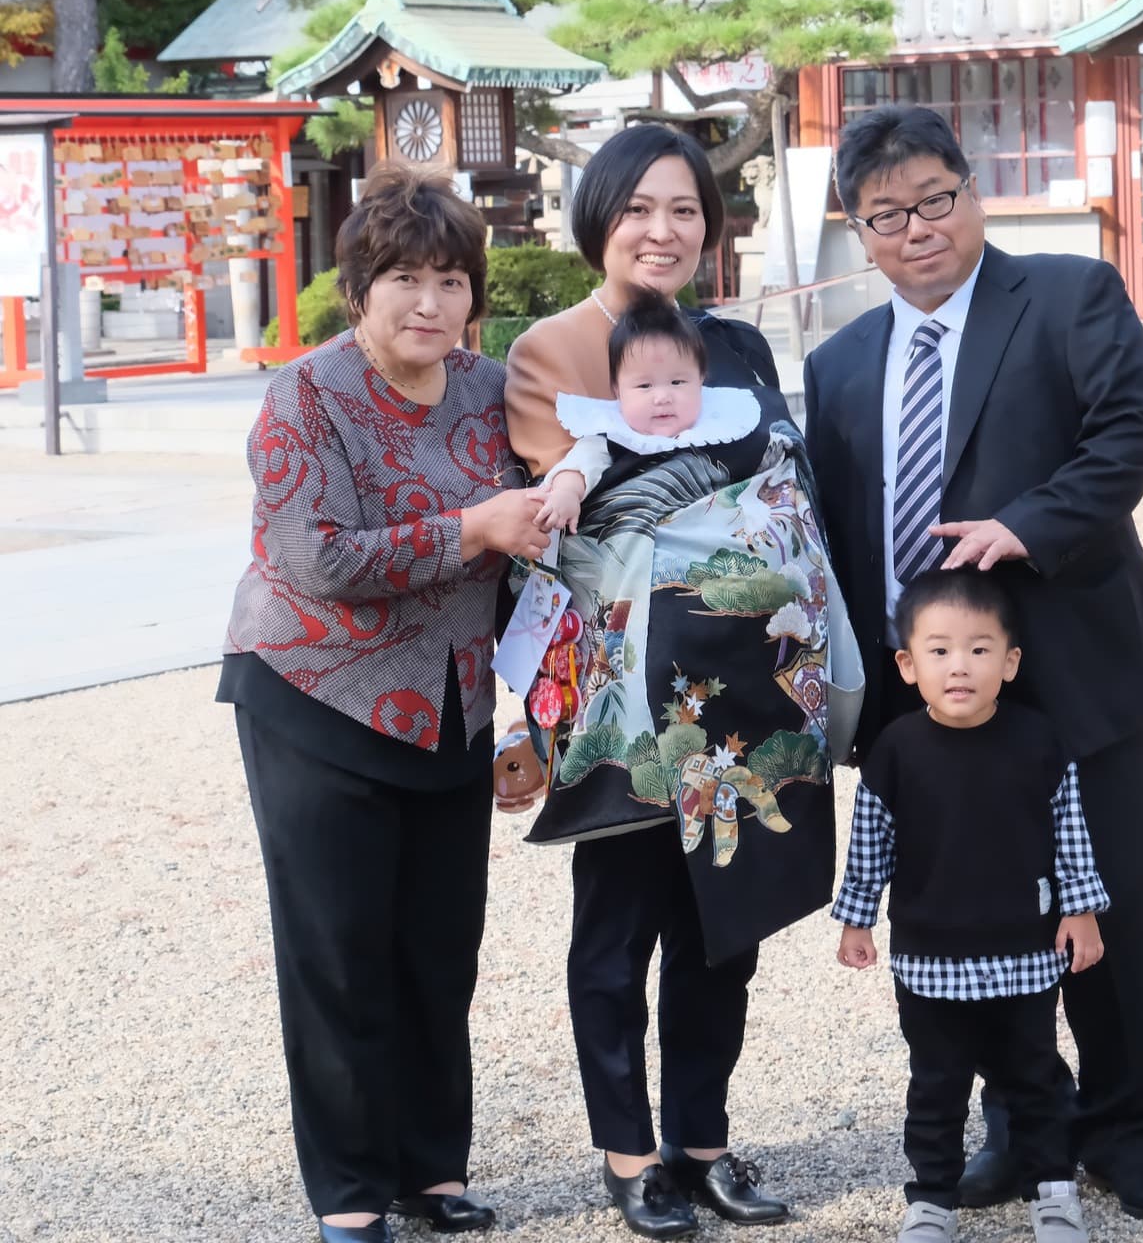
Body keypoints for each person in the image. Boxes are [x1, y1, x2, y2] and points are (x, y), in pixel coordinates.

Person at [803, 105, 1143, 1220]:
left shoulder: (1068, 296)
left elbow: (1131, 430)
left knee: (1112, 904)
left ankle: (1130, 1130)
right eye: (886, 215)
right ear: (859, 230)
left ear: (972, 193)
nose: (916, 228)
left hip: (1072, 663)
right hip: (932, 706)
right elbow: (834, 527)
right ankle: (1021, 1128)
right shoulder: (838, 366)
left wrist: (1026, 524)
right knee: (973, 921)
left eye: (935, 199)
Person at [506, 124, 860, 1240]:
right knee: (617, 929)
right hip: (621, 696)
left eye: (686, 211)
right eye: (640, 208)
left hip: (744, 700)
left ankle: (701, 1140)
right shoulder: (552, 352)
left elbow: (788, 491)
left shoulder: (737, 349)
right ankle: (627, 1154)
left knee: (728, 925)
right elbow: (577, 527)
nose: (663, 232)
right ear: (598, 216)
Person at [218, 162, 551, 1243]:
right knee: (339, 950)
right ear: (356, 289)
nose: (429, 304)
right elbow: (316, 559)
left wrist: (535, 712)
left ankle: (430, 1171)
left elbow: (548, 550)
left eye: (451, 280)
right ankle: (352, 1193)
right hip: (315, 697)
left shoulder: (491, 391)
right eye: (403, 277)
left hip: (449, 712)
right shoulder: (303, 395)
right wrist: (475, 530)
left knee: (437, 949)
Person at [834, 568, 1108, 1243]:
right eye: (940, 650)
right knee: (936, 1085)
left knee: (1035, 1078)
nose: (960, 667)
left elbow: (1070, 833)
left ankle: (1052, 1190)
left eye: (980, 649)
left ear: (1010, 662)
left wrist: (1081, 910)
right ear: (907, 663)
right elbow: (870, 842)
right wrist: (856, 916)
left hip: (1024, 953)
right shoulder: (895, 753)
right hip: (930, 958)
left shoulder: (1039, 744)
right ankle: (931, 1200)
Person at [534, 289, 761, 535]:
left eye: (678, 382)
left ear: (701, 380)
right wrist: (566, 493)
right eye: (644, 386)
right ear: (617, 391)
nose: (662, 397)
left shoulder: (721, 423)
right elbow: (579, 466)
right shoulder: (613, 434)